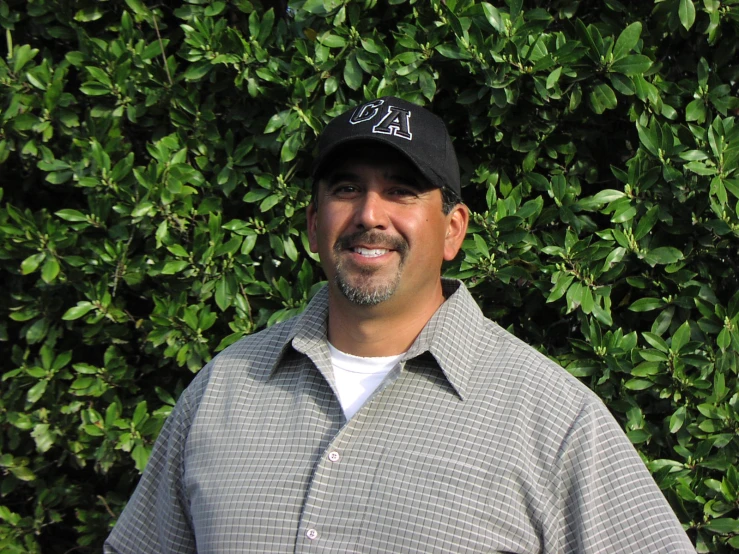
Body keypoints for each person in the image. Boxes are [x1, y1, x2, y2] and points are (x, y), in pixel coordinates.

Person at [105, 97, 695, 553]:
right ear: (314, 225)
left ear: (453, 230)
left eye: (401, 191)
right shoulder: (222, 391)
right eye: (346, 189)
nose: (368, 214)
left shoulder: (555, 423)